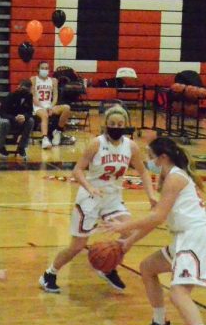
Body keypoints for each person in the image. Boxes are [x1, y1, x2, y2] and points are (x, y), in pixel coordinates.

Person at [101, 137, 206, 325]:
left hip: (195, 237)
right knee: (147, 268)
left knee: (178, 293)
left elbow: (157, 217)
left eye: (150, 156)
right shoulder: (168, 177)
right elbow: (157, 217)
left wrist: (121, 227)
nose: (148, 161)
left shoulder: (176, 177)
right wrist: (128, 241)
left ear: (163, 157)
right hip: (183, 238)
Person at [39, 106, 156, 293]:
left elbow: (143, 171)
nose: (116, 127)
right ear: (106, 125)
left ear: (125, 125)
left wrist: (151, 196)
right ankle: (49, 274)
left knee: (129, 233)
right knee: (77, 246)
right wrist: (89, 186)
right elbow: (77, 170)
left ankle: (109, 266)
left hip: (113, 199)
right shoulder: (96, 144)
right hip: (90, 199)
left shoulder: (131, 146)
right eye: (112, 124)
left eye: (119, 124)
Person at [0, 79, 36, 160]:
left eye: (27, 89)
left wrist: (24, 116)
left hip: (19, 119)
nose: (24, 91)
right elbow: (2, 113)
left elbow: (30, 112)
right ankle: (1, 146)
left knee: (31, 121)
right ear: (19, 87)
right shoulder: (11, 95)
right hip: (2, 118)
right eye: (23, 89)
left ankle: (22, 147)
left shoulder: (29, 96)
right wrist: (14, 118)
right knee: (5, 122)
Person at [32, 61, 71, 149]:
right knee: (45, 115)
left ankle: (58, 131)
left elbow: (55, 96)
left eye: (46, 68)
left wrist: (50, 106)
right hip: (38, 106)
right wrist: (43, 107)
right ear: (38, 69)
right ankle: (45, 139)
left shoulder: (53, 81)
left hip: (49, 106)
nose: (45, 70)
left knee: (66, 108)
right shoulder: (33, 79)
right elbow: (33, 97)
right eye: (42, 68)